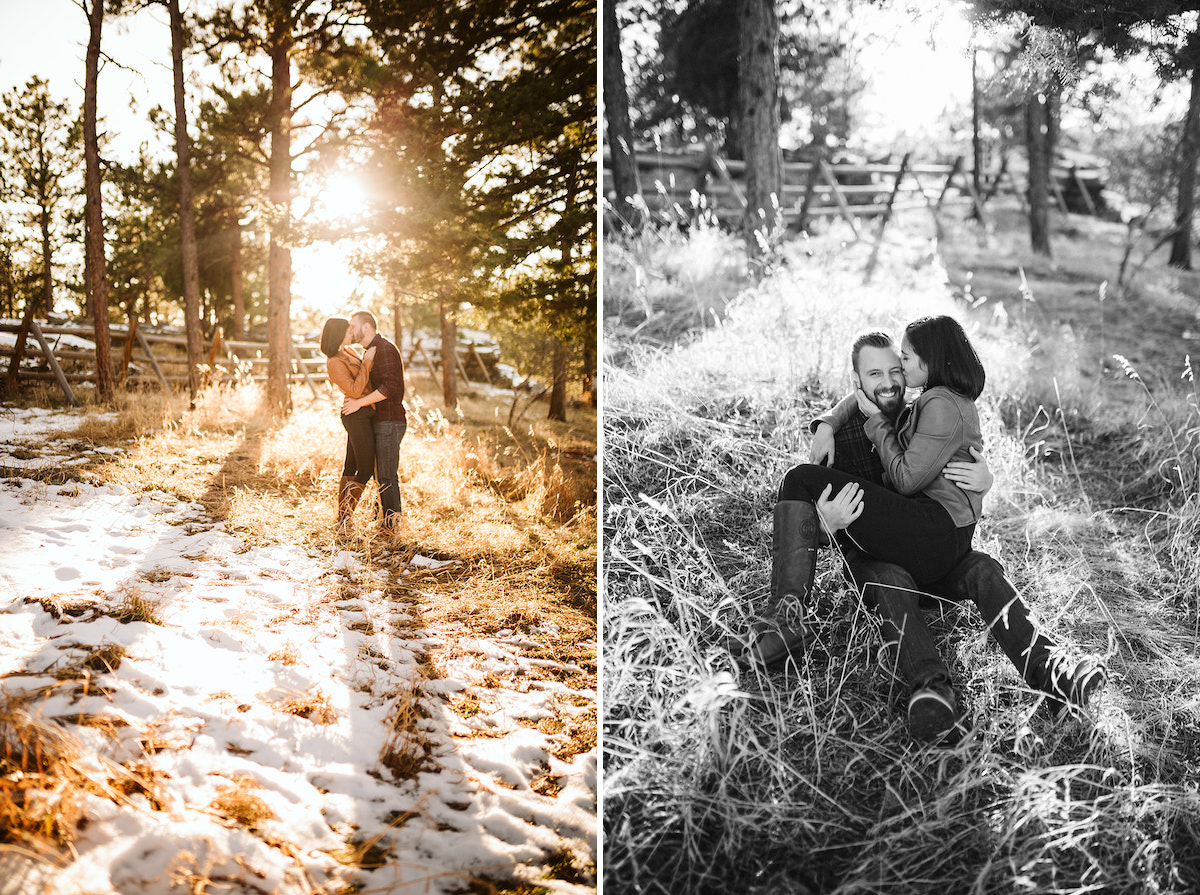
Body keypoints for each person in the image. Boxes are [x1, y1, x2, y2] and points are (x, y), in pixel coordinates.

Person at [738, 324, 1105, 742]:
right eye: (873, 375)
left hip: (930, 548)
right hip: (880, 562)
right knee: (881, 568)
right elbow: (806, 527)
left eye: (895, 369)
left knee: (982, 568)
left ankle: (1053, 674)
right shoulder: (839, 440)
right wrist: (825, 525)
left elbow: (949, 459)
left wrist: (986, 479)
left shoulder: (919, 414)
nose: (889, 381)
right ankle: (931, 690)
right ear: (857, 383)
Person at [341, 310, 407, 531]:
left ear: (367, 327)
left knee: (387, 476)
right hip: (380, 421)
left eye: (353, 326)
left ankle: (391, 529)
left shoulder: (385, 349)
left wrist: (359, 403)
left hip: (390, 421)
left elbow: (390, 387)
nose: (351, 330)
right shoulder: (370, 351)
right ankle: (383, 523)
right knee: (382, 476)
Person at [320, 316, 376, 525]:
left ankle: (342, 517)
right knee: (366, 468)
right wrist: (368, 361)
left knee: (350, 466)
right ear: (338, 335)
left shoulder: (349, 351)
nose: (351, 333)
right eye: (347, 331)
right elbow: (354, 389)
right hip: (355, 416)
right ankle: (345, 516)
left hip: (363, 411)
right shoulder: (334, 362)